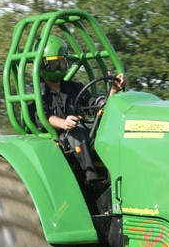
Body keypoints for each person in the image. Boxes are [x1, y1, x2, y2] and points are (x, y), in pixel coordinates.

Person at [34, 35, 126, 181]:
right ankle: (92, 180)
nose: (60, 67)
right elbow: (42, 117)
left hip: (80, 135)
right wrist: (64, 123)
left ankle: (115, 175)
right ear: (42, 65)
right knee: (76, 132)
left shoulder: (74, 87)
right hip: (54, 138)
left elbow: (94, 106)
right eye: (54, 64)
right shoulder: (35, 92)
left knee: (104, 132)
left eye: (63, 62)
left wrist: (113, 91)